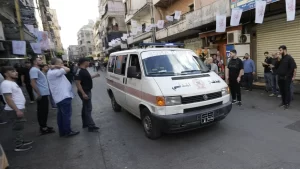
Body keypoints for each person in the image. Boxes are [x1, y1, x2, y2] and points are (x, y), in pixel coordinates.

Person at [1, 66, 33, 152]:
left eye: (15, 71)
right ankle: (18, 145)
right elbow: (8, 98)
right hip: (14, 110)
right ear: (6, 73)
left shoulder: (12, 83)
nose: (16, 72)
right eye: (12, 71)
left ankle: (21, 141)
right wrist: (17, 110)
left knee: (20, 127)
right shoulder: (6, 84)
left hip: (18, 108)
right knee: (17, 128)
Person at [47, 58, 80, 137]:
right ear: (56, 64)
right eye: (61, 63)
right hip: (63, 97)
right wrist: (57, 66)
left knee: (61, 116)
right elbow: (68, 69)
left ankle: (62, 131)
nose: (62, 65)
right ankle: (67, 131)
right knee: (66, 116)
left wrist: (56, 66)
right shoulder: (55, 72)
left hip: (60, 97)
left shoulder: (51, 71)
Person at [30, 56, 54, 135]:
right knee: (42, 111)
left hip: (43, 93)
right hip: (41, 94)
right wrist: (38, 93)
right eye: (39, 60)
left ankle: (44, 126)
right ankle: (43, 128)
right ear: (34, 62)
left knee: (44, 111)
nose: (41, 61)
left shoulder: (37, 70)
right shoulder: (34, 70)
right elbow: (32, 82)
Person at [75, 58, 100, 132]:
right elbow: (77, 83)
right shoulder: (79, 71)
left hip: (87, 90)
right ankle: (91, 126)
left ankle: (85, 123)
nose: (89, 63)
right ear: (84, 62)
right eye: (88, 62)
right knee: (88, 108)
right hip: (85, 91)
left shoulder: (84, 70)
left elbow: (86, 78)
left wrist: (95, 76)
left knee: (85, 107)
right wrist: (83, 93)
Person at [276, 45, 296, 109]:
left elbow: (293, 68)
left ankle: (287, 103)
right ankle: (283, 102)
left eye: (280, 50)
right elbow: (276, 67)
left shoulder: (289, 58)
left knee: (286, 90)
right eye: (279, 50)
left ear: (284, 50)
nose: (279, 51)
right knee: (282, 90)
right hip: (280, 77)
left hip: (287, 77)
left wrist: (293, 76)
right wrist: (278, 59)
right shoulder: (281, 58)